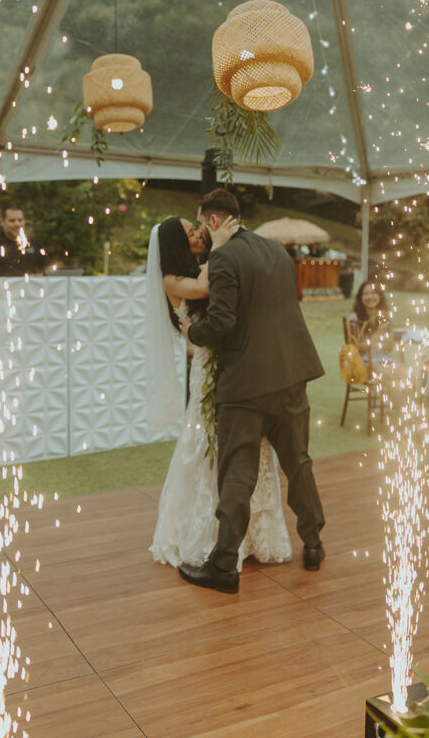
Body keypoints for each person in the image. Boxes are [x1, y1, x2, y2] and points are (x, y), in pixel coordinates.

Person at [178, 187, 325, 594]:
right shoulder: (277, 250)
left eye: (201, 224)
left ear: (211, 221)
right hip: (292, 374)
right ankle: (313, 544)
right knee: (299, 463)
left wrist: (193, 331)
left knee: (238, 471)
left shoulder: (223, 257)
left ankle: (224, 565)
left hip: (245, 382)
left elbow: (221, 320)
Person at [147, 214, 292, 574]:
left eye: (196, 227)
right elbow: (202, 290)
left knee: (237, 447)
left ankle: (245, 535)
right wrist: (222, 248)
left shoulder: (200, 266)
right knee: (206, 442)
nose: (198, 233)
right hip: (206, 372)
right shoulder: (174, 279)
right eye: (190, 232)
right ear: (175, 244)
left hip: (230, 367)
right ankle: (206, 534)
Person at [347, 279, 399, 397]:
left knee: (407, 375)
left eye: (374, 293)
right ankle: (401, 411)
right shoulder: (354, 318)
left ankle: (406, 410)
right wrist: (376, 336)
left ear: (380, 296)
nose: (370, 297)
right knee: (388, 375)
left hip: (384, 358)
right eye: (366, 294)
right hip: (362, 361)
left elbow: (389, 348)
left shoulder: (385, 317)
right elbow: (357, 349)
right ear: (360, 297)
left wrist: (386, 336)